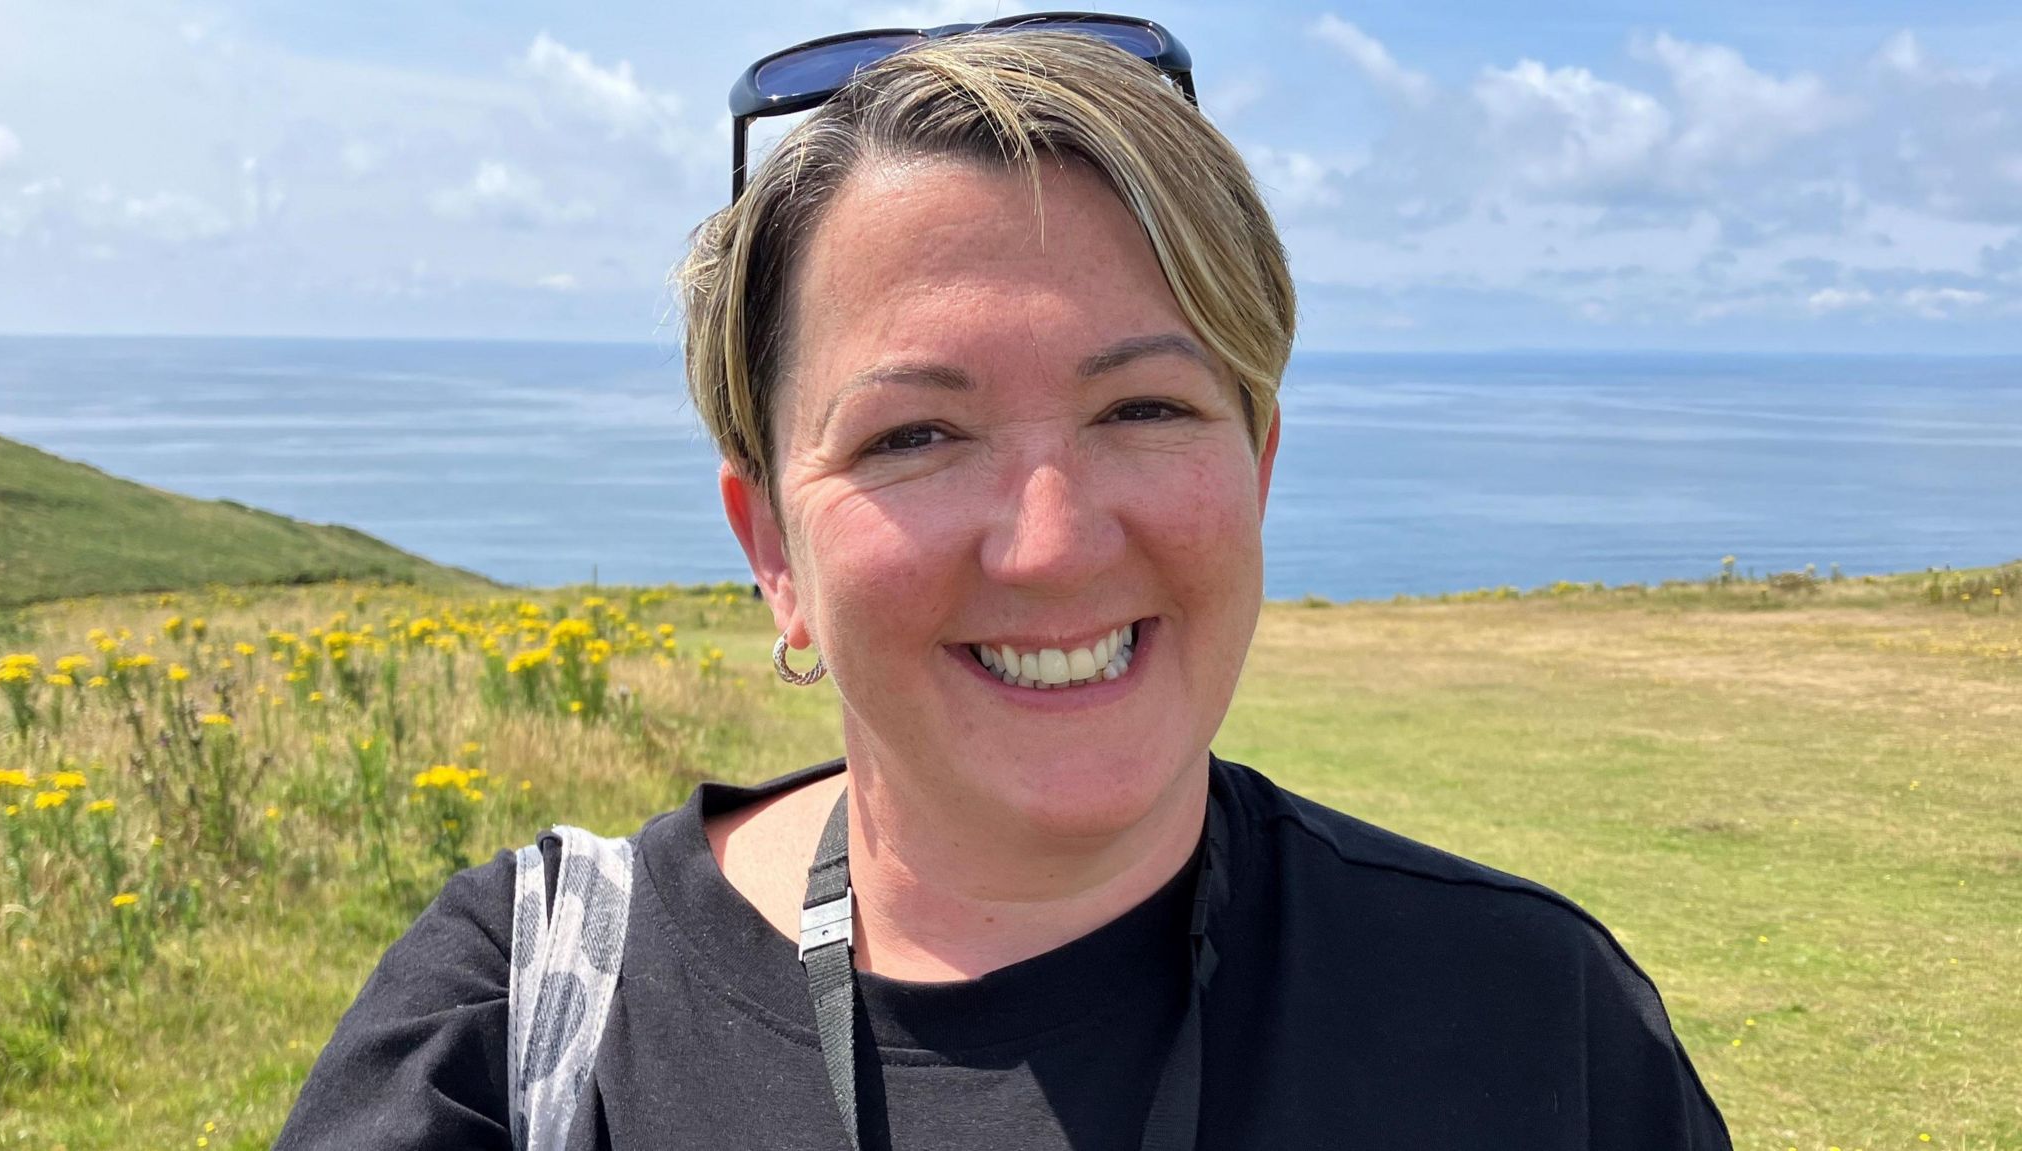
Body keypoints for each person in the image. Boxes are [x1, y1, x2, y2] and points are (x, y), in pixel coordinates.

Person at [274, 18, 1731, 1150]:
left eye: (1145, 409)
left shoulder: (1530, 1026)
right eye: (915, 436)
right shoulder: (526, 1030)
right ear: (773, 549)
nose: (1050, 542)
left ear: (1258, 466)